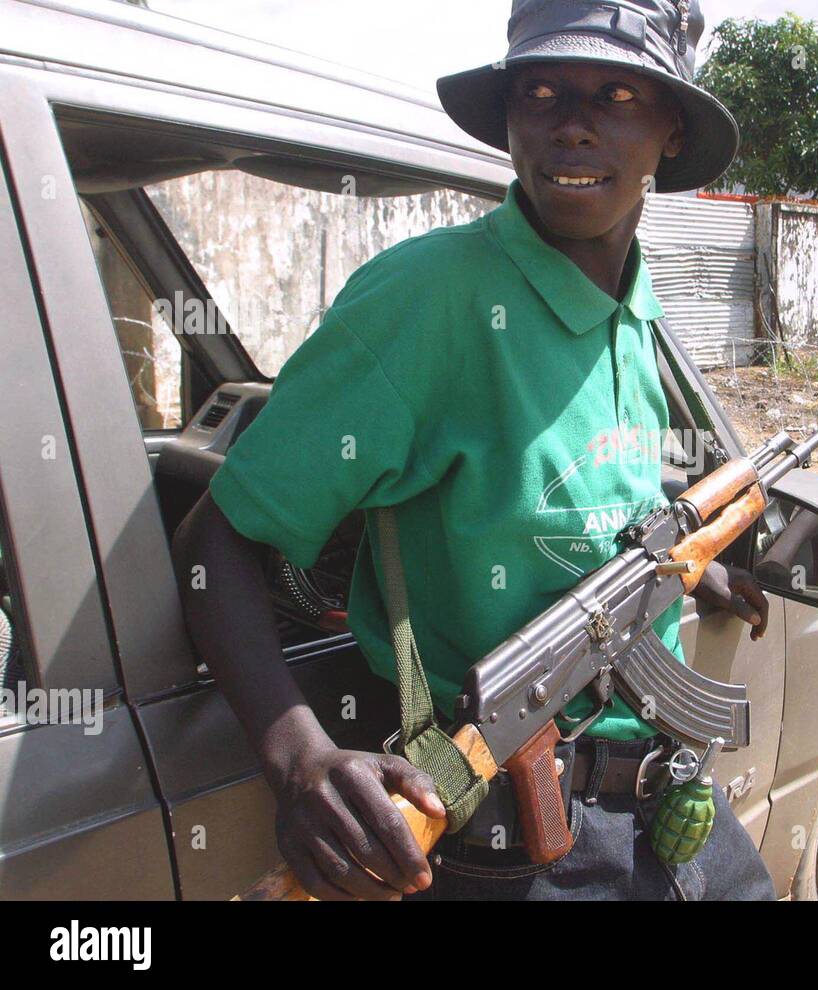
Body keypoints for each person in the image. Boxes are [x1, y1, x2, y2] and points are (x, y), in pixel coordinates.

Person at [171, 0, 777, 901]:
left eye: (616, 94)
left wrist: (673, 575)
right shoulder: (426, 300)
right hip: (520, 849)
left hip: (675, 813)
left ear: (670, 129)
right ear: (509, 121)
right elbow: (213, 545)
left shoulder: (636, 309)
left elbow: (576, 502)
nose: (572, 124)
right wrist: (299, 758)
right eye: (540, 92)